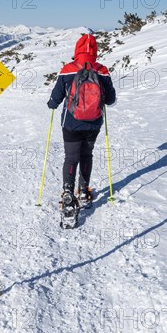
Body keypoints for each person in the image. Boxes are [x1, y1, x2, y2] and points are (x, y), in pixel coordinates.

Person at [47, 33, 116, 207]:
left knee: (71, 157)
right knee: (86, 155)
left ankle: (68, 191)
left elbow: (56, 97)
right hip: (93, 123)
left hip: (70, 123)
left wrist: (52, 104)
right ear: (95, 52)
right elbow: (110, 100)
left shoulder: (68, 69)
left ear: (77, 50)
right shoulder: (102, 70)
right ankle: (84, 191)